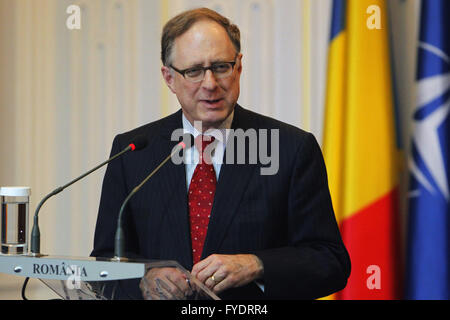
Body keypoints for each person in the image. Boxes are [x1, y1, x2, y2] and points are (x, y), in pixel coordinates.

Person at [91, 7, 350, 300]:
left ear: (238, 67)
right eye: (194, 71)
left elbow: (330, 262)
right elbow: (104, 261)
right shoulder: (134, 152)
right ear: (169, 78)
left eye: (221, 67)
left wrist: (256, 264)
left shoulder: (290, 148)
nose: (210, 84)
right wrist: (144, 279)